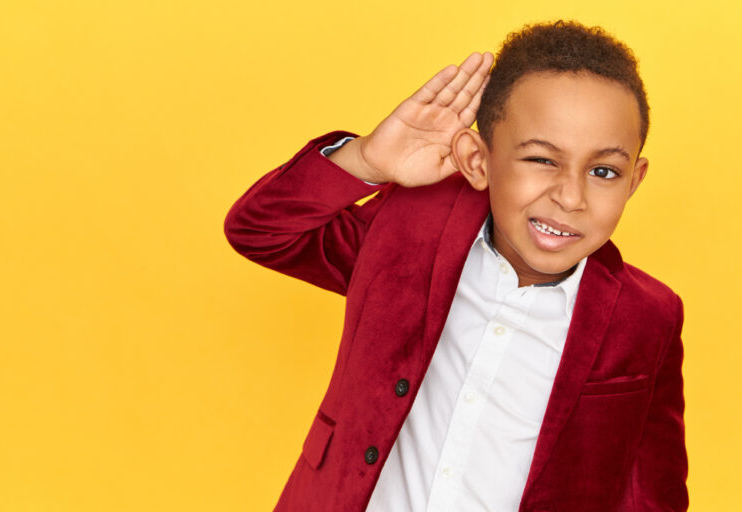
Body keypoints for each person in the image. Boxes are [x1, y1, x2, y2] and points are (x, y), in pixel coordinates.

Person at [224, 19, 688, 512]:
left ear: (633, 181)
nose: (571, 197)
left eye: (603, 171)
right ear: (477, 160)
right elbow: (260, 230)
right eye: (542, 160)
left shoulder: (649, 318)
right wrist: (367, 160)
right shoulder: (410, 230)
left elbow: (651, 495)